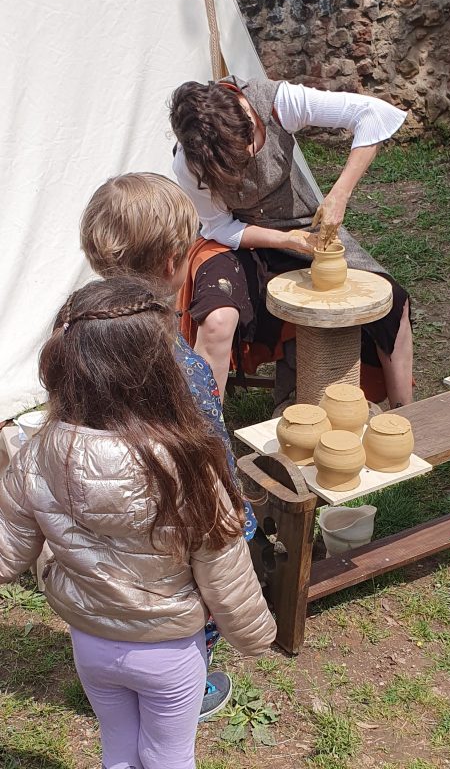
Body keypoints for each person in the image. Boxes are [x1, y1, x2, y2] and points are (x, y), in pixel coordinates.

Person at [0, 276, 276, 769]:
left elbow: (6, 553)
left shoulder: (37, 453)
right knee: (168, 755)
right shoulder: (190, 465)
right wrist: (256, 637)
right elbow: (226, 575)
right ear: (163, 374)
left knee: (119, 747)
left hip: (90, 640)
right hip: (168, 650)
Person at [79, 172, 258, 719]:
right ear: (173, 264)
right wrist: (238, 515)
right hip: (170, 513)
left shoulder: (73, 336)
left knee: (116, 588)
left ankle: (114, 673)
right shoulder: (185, 370)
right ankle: (188, 686)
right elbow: (209, 452)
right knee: (191, 600)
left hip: (102, 505)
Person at [169, 77, 414, 407]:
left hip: (302, 222)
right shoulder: (190, 161)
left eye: (249, 145)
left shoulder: (276, 103)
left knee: (392, 299)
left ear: (247, 118)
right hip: (234, 238)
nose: (250, 158)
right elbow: (220, 226)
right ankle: (203, 429)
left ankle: (405, 415)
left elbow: (374, 113)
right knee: (217, 318)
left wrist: (339, 193)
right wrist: (284, 241)